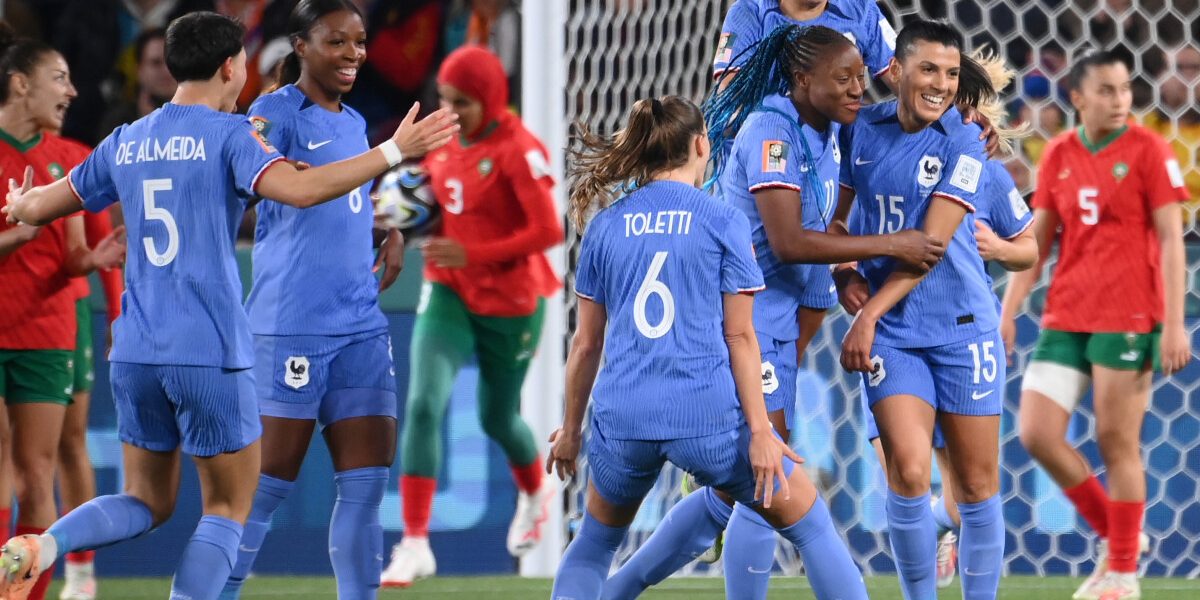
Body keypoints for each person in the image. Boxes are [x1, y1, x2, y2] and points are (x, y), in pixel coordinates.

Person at [0, 11, 457, 600]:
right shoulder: (232, 134)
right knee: (227, 508)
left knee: (145, 500)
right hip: (210, 350)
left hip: (136, 350)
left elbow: (39, 208)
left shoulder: (127, 138)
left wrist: (19, 203)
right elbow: (299, 190)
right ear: (229, 67)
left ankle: (45, 545)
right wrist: (395, 151)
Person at [601, 25, 945, 599]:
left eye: (862, 77)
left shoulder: (830, 132)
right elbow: (789, 242)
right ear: (802, 80)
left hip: (779, 329)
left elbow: (811, 253)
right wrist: (892, 243)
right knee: (772, 489)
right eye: (844, 79)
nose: (859, 88)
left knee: (735, 495)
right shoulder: (770, 131)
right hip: (743, 324)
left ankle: (616, 590)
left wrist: (962, 120)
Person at [546, 94, 866, 600]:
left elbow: (586, 344)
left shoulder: (606, 227)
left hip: (624, 415)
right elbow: (740, 336)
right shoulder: (722, 221)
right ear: (701, 144)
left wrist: (569, 430)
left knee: (592, 544)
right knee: (810, 526)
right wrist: (761, 430)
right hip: (707, 416)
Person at [219, 2, 407, 599]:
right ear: (300, 45)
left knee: (366, 486)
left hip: (360, 326)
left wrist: (383, 227)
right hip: (291, 325)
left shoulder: (353, 122)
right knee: (265, 486)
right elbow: (241, 181)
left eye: (359, 41)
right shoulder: (272, 113)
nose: (354, 54)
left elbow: (342, 196)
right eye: (337, 41)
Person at [840, 48, 1038, 591]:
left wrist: (999, 247)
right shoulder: (867, 141)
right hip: (895, 336)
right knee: (905, 472)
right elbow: (840, 220)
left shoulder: (983, 172)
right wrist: (844, 272)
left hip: (965, 333)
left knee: (973, 487)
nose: (961, 116)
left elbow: (1029, 249)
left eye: (965, 102)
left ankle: (959, 551)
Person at [1000, 49, 1190, 600]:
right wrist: (1007, 312)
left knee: (1116, 441)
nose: (1120, 100)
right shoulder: (1059, 153)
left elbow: (1173, 240)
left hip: (1129, 317)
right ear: (1078, 98)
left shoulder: (1150, 150)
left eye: (1125, 89)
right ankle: (1119, 534)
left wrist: (1174, 324)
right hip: (1066, 314)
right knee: (1036, 432)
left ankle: (1123, 574)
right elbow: (1037, 244)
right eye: (1106, 90)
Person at [380, 45, 562, 587]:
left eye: (464, 102)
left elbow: (550, 231)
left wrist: (473, 252)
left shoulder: (518, 149)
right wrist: (396, 217)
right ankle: (414, 542)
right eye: (444, 98)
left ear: (491, 98)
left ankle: (535, 491)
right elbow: (439, 202)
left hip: (512, 303)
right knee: (422, 403)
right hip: (450, 293)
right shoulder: (442, 141)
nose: (451, 111)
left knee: (495, 419)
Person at [0, 25, 127, 600]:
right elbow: (22, 239)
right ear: (20, 84)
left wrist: (94, 261)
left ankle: (28, 592)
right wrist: (14, 238)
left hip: (47, 334)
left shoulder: (66, 163)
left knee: (37, 470)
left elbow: (73, 256)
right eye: (59, 78)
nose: (72, 91)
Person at [96, 28, 176, 140]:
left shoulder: (199, 121)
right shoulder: (116, 125)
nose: (166, 71)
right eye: (156, 63)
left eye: (172, 62)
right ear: (139, 70)